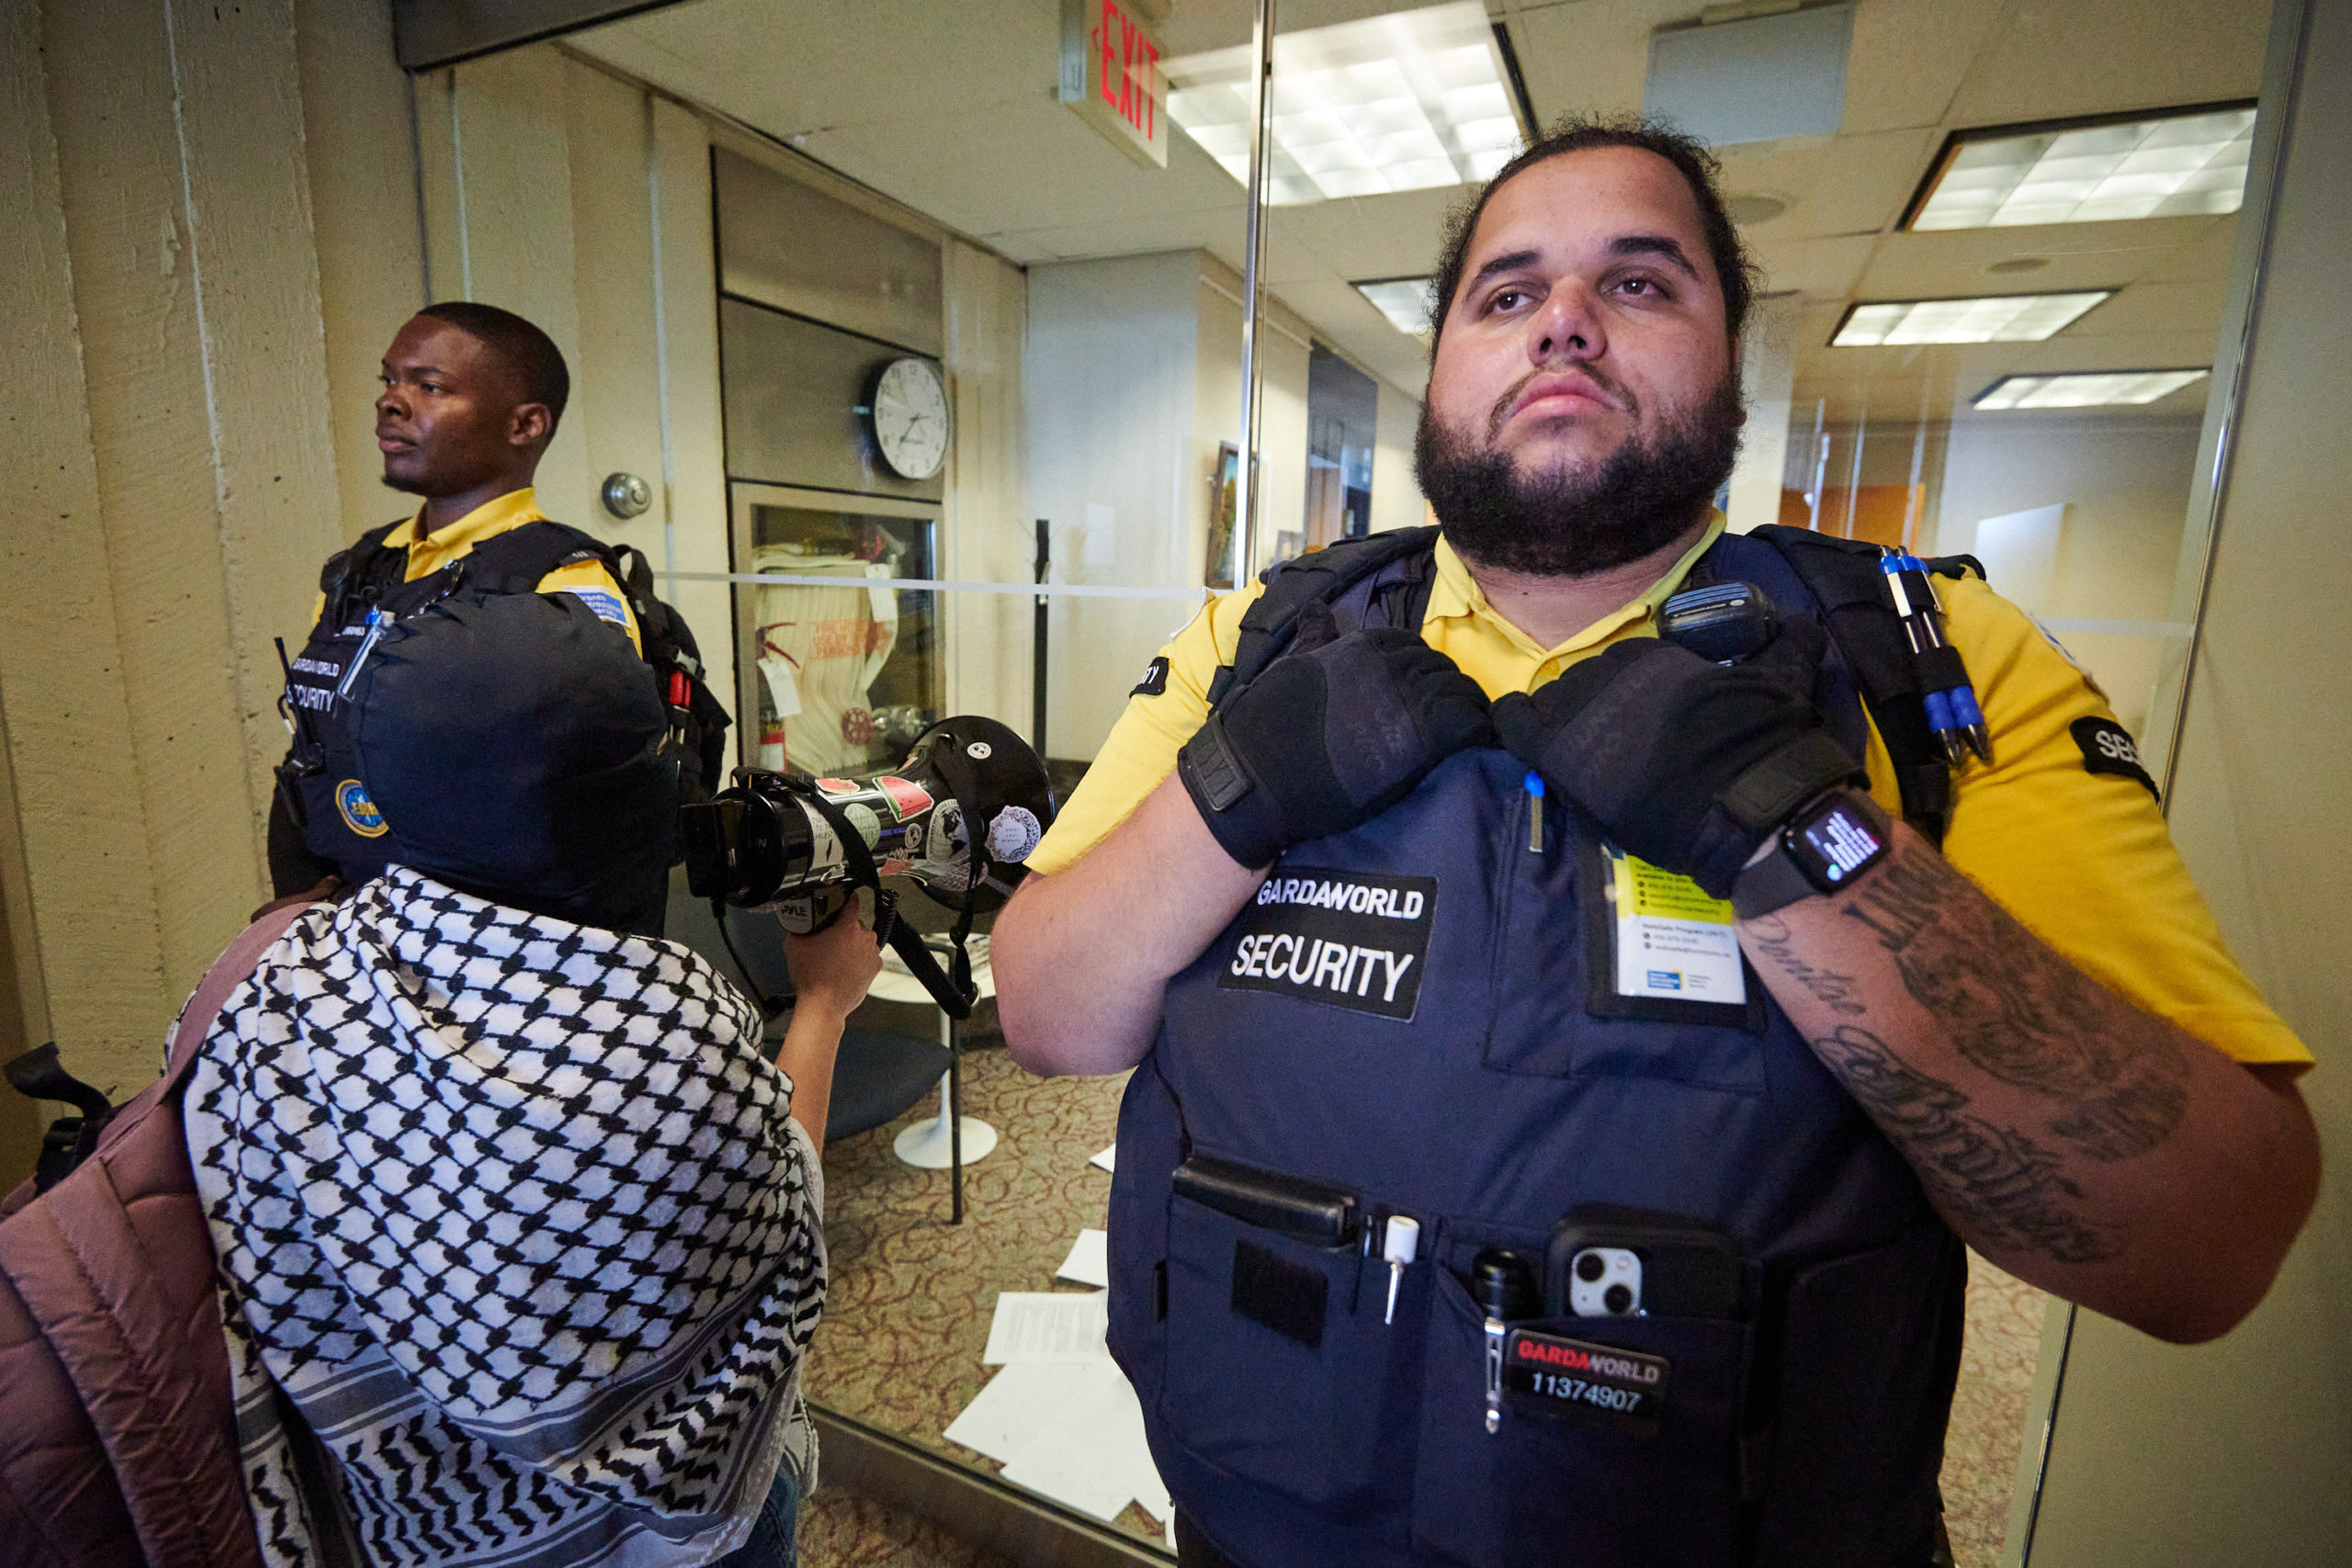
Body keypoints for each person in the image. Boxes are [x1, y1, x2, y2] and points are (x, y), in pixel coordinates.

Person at [991, 117, 2319, 1568]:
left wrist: (1795, 833)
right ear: (1441, 364)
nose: (1562, 321)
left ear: (1727, 354)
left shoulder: (1924, 664)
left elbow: (2205, 1240)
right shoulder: (1252, 645)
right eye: (1507, 293)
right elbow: (1047, 1011)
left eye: (1639, 283)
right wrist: (1241, 788)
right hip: (1262, 1521)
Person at [189, 590, 879, 1567]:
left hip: (398, 1527)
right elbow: (782, 1229)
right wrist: (824, 1002)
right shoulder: (666, 1036)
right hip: (645, 1540)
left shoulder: (264, 980)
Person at [270, 300, 662, 923]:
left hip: (487, 954)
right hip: (345, 930)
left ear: (524, 425)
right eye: (389, 380)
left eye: (429, 386)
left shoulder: (561, 583)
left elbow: (582, 805)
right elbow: (310, 747)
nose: (390, 401)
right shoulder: (359, 569)